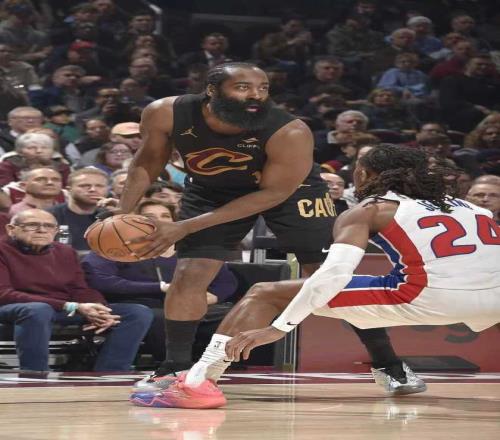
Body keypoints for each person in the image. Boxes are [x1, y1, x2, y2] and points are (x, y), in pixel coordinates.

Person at [105, 62, 419, 394]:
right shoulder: (165, 112)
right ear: (211, 91)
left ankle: (389, 364)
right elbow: (147, 160)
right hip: (211, 190)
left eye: (263, 88)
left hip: (292, 191)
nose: (256, 95)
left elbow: (273, 194)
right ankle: (174, 367)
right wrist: (120, 214)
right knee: (189, 274)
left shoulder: (289, 130)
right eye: (243, 87)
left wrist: (185, 226)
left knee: (329, 278)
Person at [139, 144, 500, 409]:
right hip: (494, 301)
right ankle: (392, 369)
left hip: (424, 296)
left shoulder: (370, 209)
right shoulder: (475, 209)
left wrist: (278, 328)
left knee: (265, 292)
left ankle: (197, 383)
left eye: (358, 169)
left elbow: (333, 276)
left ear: (368, 175)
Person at [82, 200, 237, 363]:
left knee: (231, 314)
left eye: (165, 216)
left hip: (191, 304)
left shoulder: (192, 246)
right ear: (131, 221)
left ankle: (223, 364)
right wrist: (160, 287)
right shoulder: (114, 246)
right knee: (164, 318)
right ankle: (174, 364)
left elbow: (227, 281)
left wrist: (214, 296)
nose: (160, 221)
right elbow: (101, 280)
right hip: (144, 305)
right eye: (149, 217)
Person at [0, 208, 153, 372]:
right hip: (14, 308)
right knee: (38, 310)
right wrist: (71, 306)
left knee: (137, 312)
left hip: (62, 308)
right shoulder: (2, 250)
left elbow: (79, 289)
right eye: (32, 225)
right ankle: (35, 373)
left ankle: (111, 372)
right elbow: (5, 294)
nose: (42, 230)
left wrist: (98, 308)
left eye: (49, 226)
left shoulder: (65, 252)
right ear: (11, 229)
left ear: (56, 231)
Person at [48, 168, 109, 251]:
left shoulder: (111, 218)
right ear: (69, 190)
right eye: (84, 186)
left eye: (99, 186)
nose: (93, 189)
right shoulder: (49, 216)